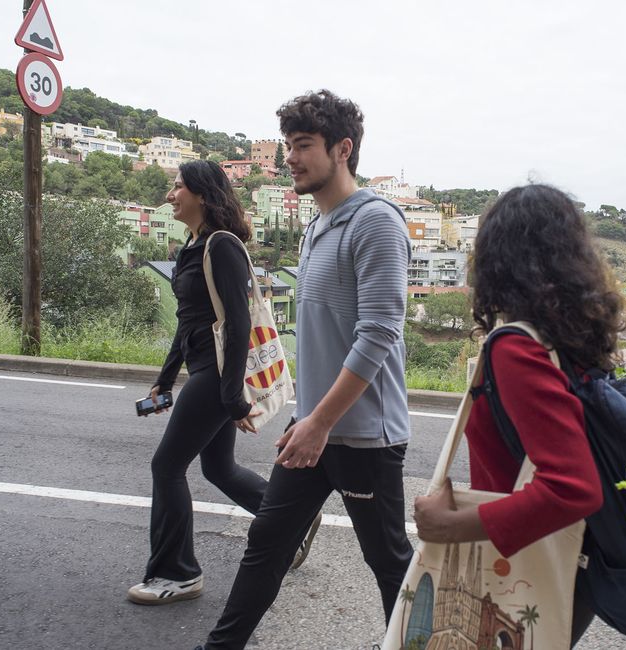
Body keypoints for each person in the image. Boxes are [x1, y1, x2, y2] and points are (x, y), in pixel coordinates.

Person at [197, 90, 414, 650]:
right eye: (288, 146)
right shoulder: (315, 228)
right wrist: (307, 419)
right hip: (313, 429)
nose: (290, 157)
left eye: (304, 146)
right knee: (267, 542)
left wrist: (319, 422)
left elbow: (379, 335)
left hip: (363, 435)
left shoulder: (376, 223)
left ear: (343, 149)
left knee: (388, 564)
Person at [412, 184, 622, 647]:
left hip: (529, 555)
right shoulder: (568, 339)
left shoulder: (516, 347)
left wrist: (452, 527)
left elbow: (574, 487)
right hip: (563, 557)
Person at [127, 160, 269, 605]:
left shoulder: (222, 246)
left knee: (166, 467)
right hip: (203, 370)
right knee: (217, 468)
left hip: (215, 377)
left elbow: (238, 323)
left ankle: (179, 574)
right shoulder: (191, 247)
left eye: (177, 187)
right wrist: (165, 380)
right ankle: (288, 518)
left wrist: (232, 399)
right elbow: (188, 322)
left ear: (202, 196)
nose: (170, 195)